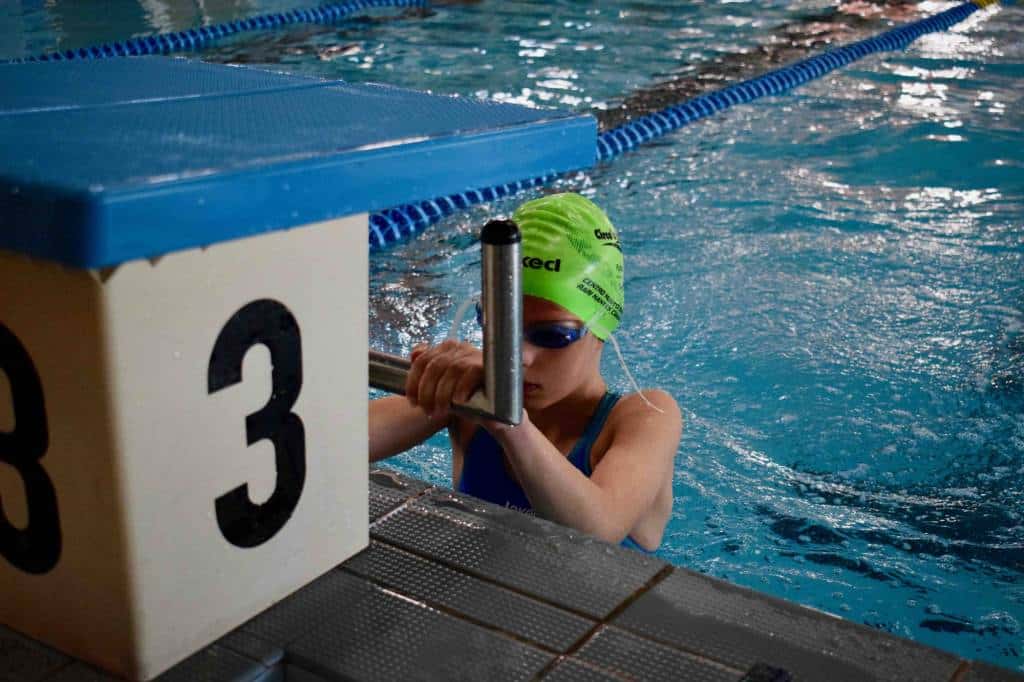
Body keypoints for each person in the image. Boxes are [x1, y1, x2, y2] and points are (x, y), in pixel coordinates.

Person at [369, 192, 682, 552]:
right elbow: (337, 442)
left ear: (602, 329)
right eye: (501, 328)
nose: (519, 357)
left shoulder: (645, 416)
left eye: (551, 335)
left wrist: (509, 422)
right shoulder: (473, 392)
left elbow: (599, 531)